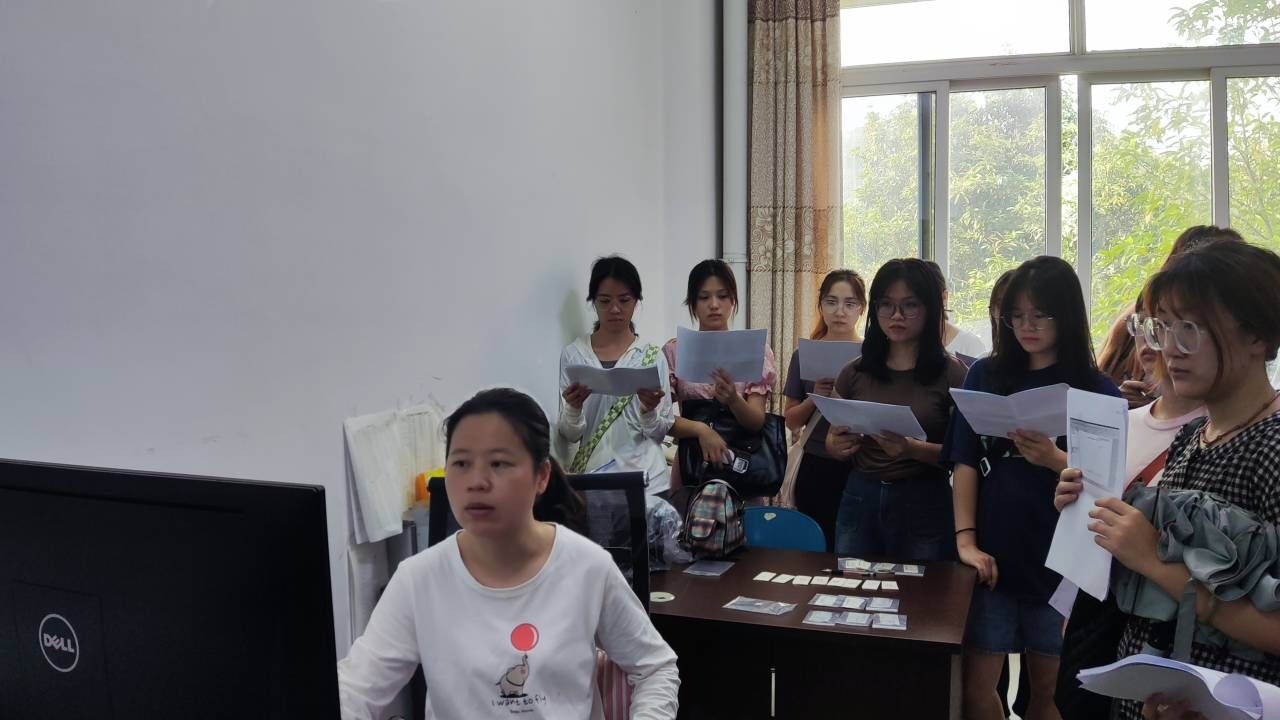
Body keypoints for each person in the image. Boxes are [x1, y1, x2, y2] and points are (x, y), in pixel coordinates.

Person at [337, 388, 680, 720]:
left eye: (498, 463)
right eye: (461, 463)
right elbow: (355, 690)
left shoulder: (587, 567)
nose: (476, 481)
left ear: (541, 476)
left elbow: (655, 668)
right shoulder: (419, 578)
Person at [1054, 240, 1280, 720]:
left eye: (1191, 329)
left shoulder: (1271, 446)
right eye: (1162, 328)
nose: (1170, 349)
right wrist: (1092, 510)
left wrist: (1153, 561)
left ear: (1258, 336)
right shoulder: (1193, 437)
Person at [945, 256, 1120, 720]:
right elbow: (964, 462)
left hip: (1063, 563)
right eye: (1017, 316)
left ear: (1067, 316)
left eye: (1040, 315)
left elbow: (1114, 485)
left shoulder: (1096, 389)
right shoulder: (986, 375)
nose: (1027, 326)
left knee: (1049, 691)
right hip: (992, 556)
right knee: (977, 685)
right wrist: (966, 541)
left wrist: (1054, 459)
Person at [824, 259, 967, 559]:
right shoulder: (854, 372)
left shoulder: (953, 374)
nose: (896, 315)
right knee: (852, 583)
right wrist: (837, 445)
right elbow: (832, 441)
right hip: (861, 494)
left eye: (910, 305)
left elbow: (964, 455)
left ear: (930, 309)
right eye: (886, 305)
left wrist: (913, 449)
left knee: (923, 587)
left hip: (924, 498)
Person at [557, 256, 674, 497]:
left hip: (648, 483)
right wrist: (574, 408)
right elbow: (570, 434)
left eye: (624, 300)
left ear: (636, 301)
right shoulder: (575, 355)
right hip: (595, 482)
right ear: (593, 302)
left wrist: (648, 412)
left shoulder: (651, 357)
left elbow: (660, 432)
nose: (615, 309)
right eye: (605, 301)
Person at [664, 259, 777, 493]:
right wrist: (701, 430)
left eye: (723, 296)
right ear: (692, 303)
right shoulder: (675, 351)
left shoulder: (755, 350)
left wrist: (734, 400)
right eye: (704, 297)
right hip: (692, 467)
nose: (714, 305)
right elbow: (660, 419)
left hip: (742, 468)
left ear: (733, 300)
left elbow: (756, 422)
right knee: (689, 514)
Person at [781, 269, 866, 548]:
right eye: (831, 302)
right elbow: (791, 420)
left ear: (861, 309)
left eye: (850, 304)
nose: (840, 311)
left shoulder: (872, 356)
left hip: (862, 464)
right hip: (816, 464)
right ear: (820, 305)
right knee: (816, 548)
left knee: (855, 548)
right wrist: (815, 397)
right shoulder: (805, 354)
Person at [924, 260, 988, 359]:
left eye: (927, 298)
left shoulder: (969, 345)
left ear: (944, 297)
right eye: (911, 304)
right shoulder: (903, 346)